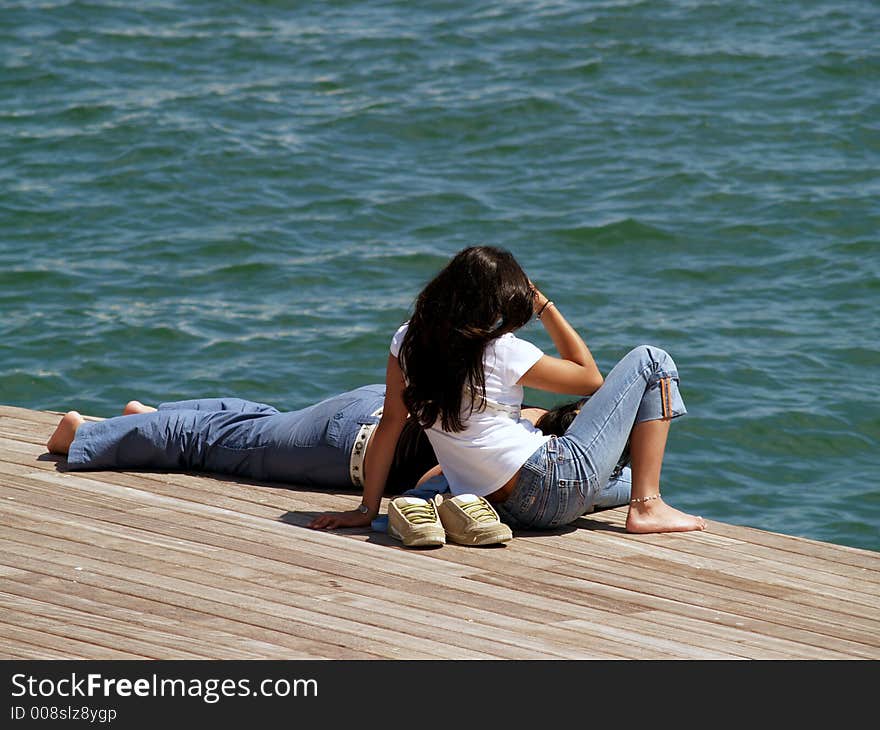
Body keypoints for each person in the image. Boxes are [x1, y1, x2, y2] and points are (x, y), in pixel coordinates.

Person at [309, 246, 706, 534]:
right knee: (652, 360)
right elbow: (591, 379)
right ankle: (648, 505)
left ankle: (641, 494)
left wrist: (366, 508)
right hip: (551, 481)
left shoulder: (407, 343)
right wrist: (544, 305)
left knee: (624, 478)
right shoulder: (501, 350)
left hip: (503, 506)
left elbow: (391, 426)